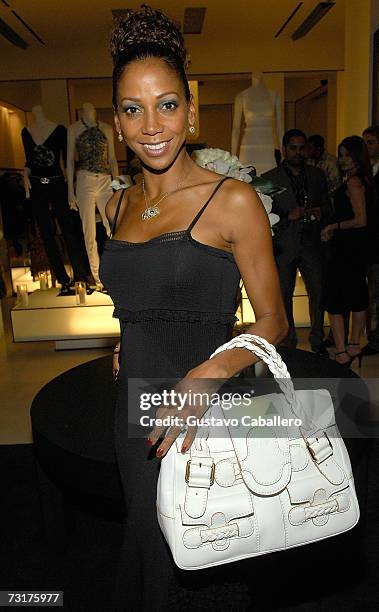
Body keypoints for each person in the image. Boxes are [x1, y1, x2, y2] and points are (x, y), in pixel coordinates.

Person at [99, 6, 288, 610]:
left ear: (192, 109)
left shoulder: (231, 201)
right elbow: (141, 295)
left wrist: (207, 375)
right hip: (138, 409)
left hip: (207, 411)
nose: (152, 124)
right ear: (117, 122)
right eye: (133, 108)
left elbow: (274, 321)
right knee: (150, 547)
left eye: (167, 104)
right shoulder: (118, 205)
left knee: (206, 560)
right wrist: (132, 335)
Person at [263, 129, 332, 354]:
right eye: (293, 147)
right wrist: (286, 217)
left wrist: (321, 211)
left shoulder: (316, 175)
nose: (298, 152)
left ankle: (317, 338)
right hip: (284, 244)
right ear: (284, 149)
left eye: (302, 147)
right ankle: (288, 341)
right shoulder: (270, 179)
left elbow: (328, 207)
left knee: (318, 291)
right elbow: (264, 216)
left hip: (312, 241)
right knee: (284, 294)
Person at [321, 136, 376, 366]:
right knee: (356, 296)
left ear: (357, 156)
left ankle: (344, 350)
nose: (342, 159)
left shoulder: (354, 182)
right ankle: (352, 345)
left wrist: (333, 226)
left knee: (335, 299)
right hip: (354, 248)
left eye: (347, 155)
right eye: (340, 154)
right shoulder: (362, 179)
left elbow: (361, 219)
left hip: (347, 249)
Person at [361, 126, 379, 355]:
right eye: (365, 142)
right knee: (367, 295)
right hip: (364, 243)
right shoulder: (362, 173)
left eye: (372, 142)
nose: (368, 147)